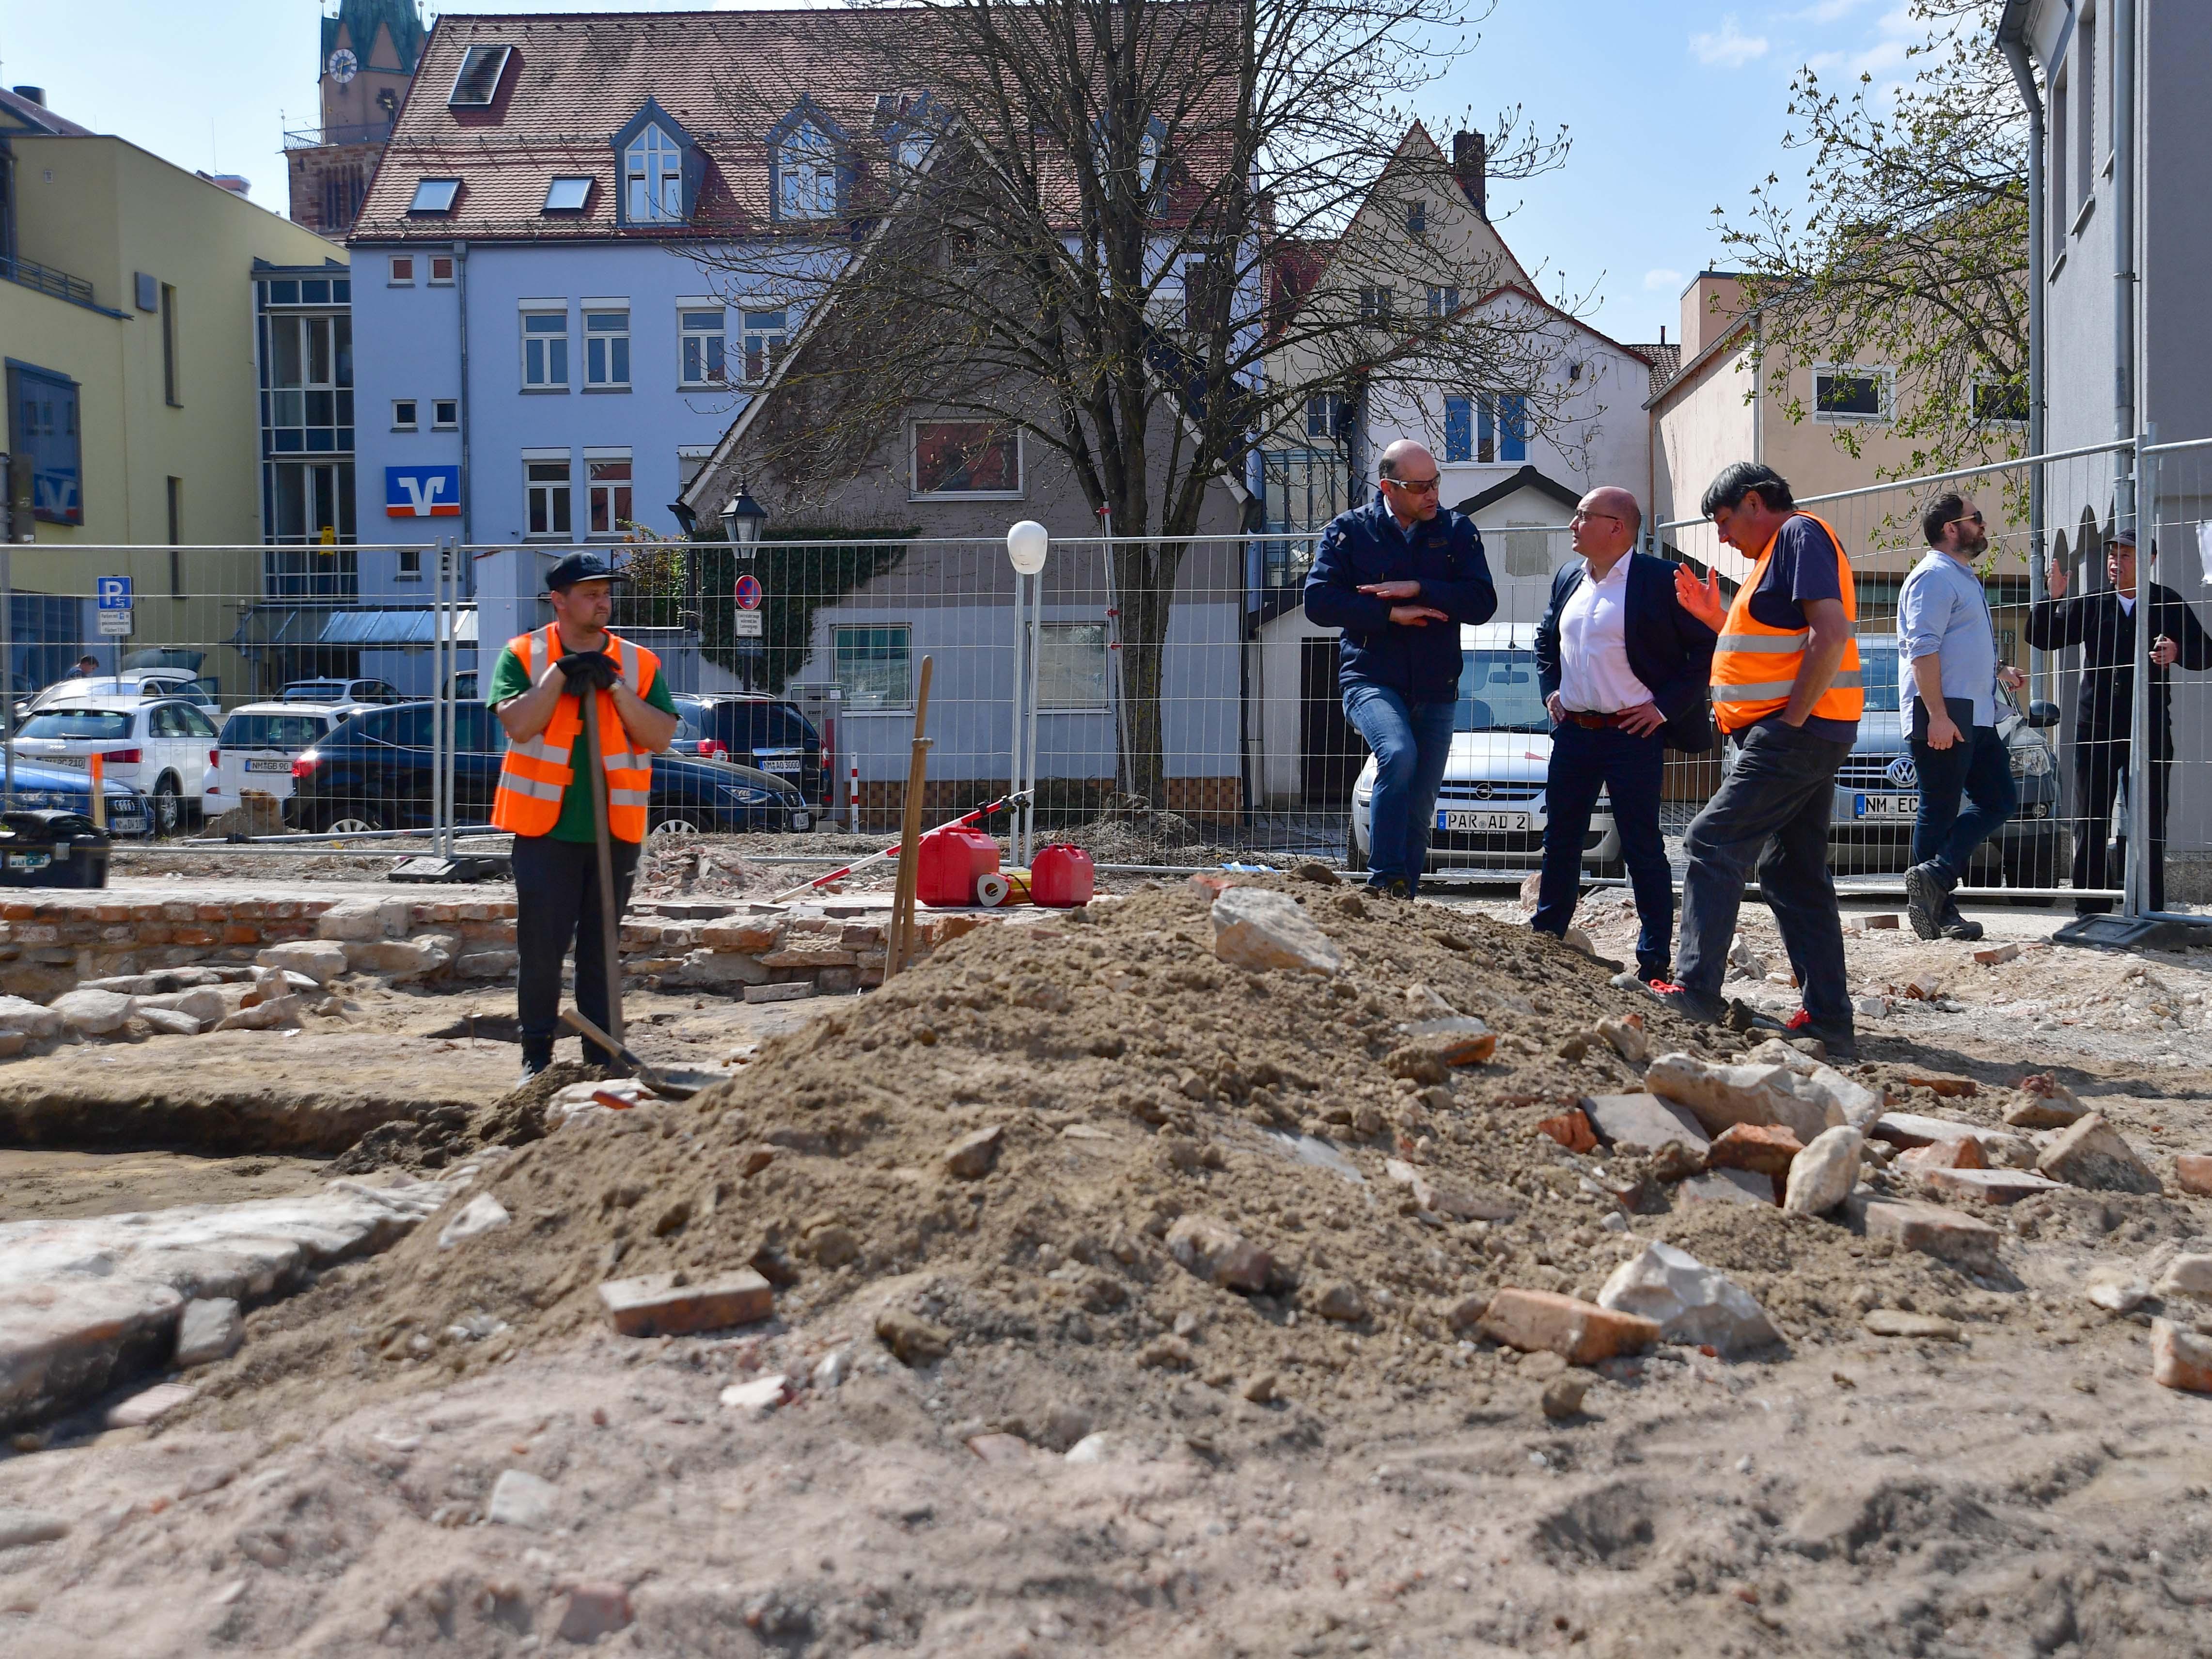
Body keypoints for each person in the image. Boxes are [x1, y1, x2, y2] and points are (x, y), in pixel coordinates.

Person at [1655, 462, 1864, 1056]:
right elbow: (1778, 646)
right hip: (1801, 731)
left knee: (1710, 838)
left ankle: (1695, 991)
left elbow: (1829, 631)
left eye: (1723, 522)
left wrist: (1789, 722)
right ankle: (1828, 1020)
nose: (1721, 537)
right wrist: (1714, 618)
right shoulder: (1776, 554)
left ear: (1753, 502)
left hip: (1794, 732)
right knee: (1791, 870)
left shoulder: (1798, 534)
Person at [489, 552, 681, 1081]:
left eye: (606, 593)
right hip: (544, 829)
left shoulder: (638, 663)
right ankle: (536, 1056)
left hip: (614, 830)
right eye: (591, 594)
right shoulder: (524, 655)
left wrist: (614, 687)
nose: (603, 603)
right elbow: (519, 724)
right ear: (559, 600)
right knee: (541, 949)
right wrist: (558, 676)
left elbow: (659, 736)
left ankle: (602, 1056)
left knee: (601, 951)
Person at [1531, 485, 1716, 986]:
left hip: (1631, 735)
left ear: (1616, 527)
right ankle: (1547, 936)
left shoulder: (1659, 580)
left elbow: (1704, 650)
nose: (1572, 524)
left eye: (1582, 515)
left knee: (1641, 845)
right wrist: (1551, 691)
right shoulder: (1569, 577)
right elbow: (1545, 640)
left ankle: (1653, 959)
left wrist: (1662, 707)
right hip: (1574, 731)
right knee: (1560, 839)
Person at [1305, 438, 1498, 898]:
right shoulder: (1349, 531)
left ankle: (1402, 898)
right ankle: (1384, 880)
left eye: (1435, 482)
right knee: (1397, 753)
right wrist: (1390, 614)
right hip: (1370, 678)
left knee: (1420, 802)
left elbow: (1481, 601)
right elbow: (1318, 601)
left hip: (1436, 684)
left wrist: (1419, 588)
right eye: (1419, 487)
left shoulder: (1457, 531)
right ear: (1388, 487)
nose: (1432, 494)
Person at [2025, 525, 2212, 915]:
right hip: (2095, 726)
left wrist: (2177, 652)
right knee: (2091, 816)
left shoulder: (2165, 603)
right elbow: (2042, 638)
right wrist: (2051, 597)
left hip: (2148, 727)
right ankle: (2090, 906)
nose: (2115, 562)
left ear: (2149, 560)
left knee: (2149, 818)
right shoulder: (2093, 601)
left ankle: (2149, 905)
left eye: (2125, 556)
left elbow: (2206, 653)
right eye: (2112, 555)